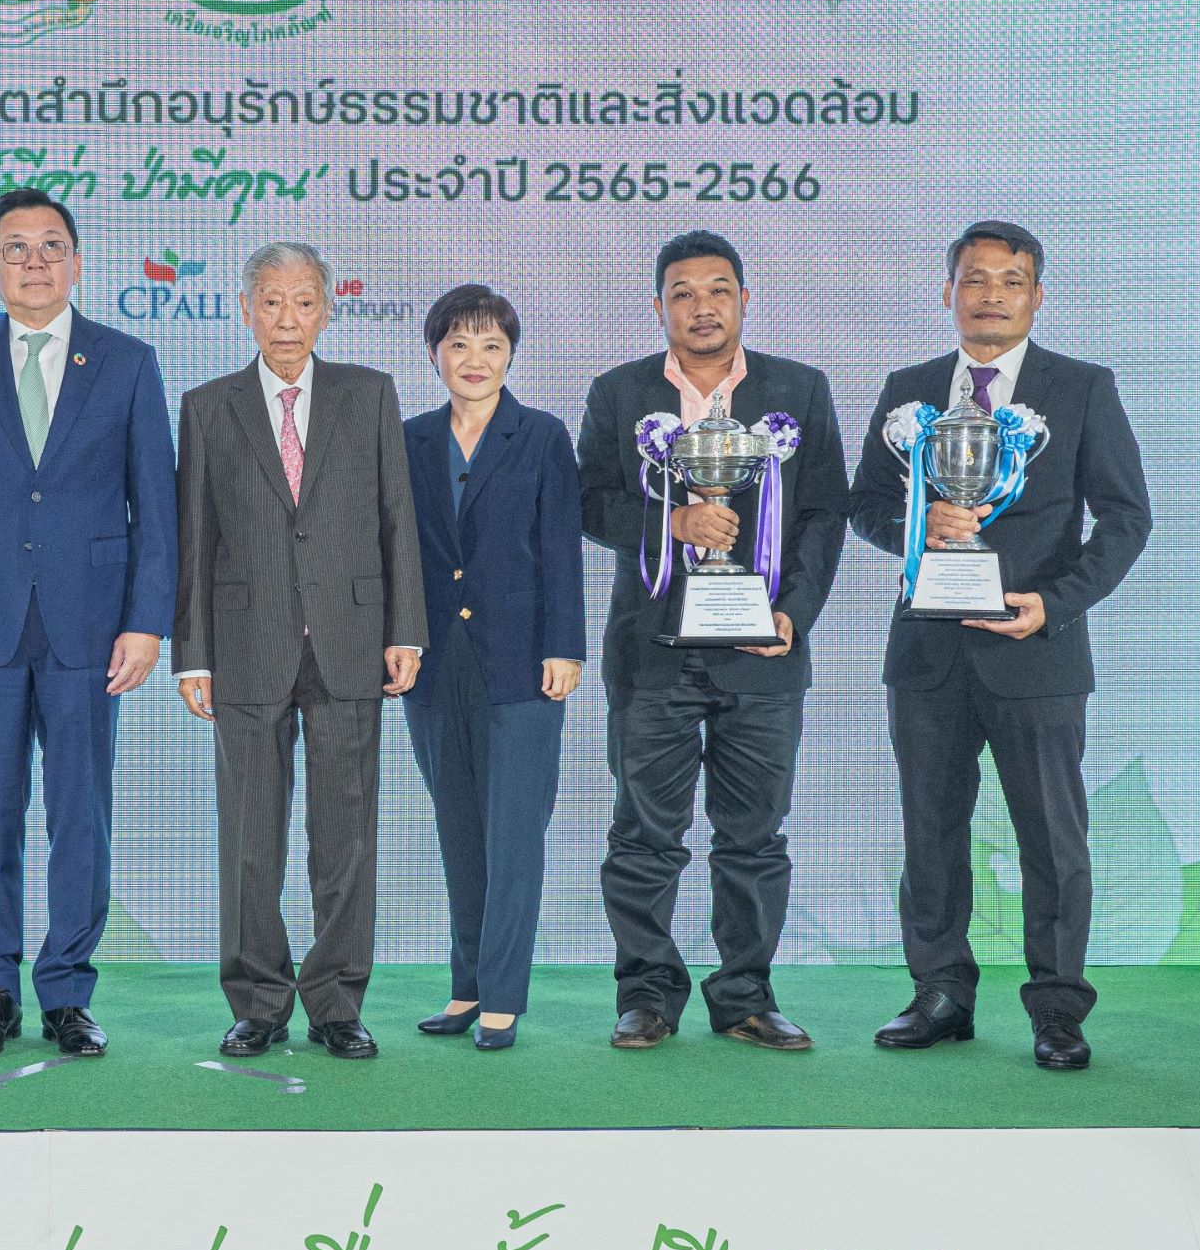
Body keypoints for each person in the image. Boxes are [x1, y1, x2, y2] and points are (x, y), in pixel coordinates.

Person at [849, 220, 1152, 1071]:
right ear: (948, 292)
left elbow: (1126, 518)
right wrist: (917, 527)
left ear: (1037, 295)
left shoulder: (1082, 387)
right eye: (975, 279)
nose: (991, 295)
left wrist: (1052, 604)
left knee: (1051, 839)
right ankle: (940, 994)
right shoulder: (909, 390)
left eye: (1010, 280)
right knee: (930, 833)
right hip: (927, 653)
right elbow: (865, 503)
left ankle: (1057, 1009)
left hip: (1036, 651)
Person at [0, 189, 177, 1059]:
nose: (34, 261)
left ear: (77, 263)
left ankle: (66, 991)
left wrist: (147, 622)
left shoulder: (127, 362)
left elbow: (156, 507)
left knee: (80, 814)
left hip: (91, 624)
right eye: (15, 248)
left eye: (51, 246)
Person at [577, 230, 847, 1051]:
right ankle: (646, 995)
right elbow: (588, 502)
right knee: (644, 833)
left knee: (754, 836)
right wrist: (673, 521)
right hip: (652, 652)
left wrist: (792, 613)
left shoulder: (798, 389)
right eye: (684, 293)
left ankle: (745, 996)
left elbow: (823, 511)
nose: (703, 307)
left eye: (718, 290)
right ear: (660, 307)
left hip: (763, 652)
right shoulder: (618, 392)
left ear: (744, 300)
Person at [173, 241, 426, 1061]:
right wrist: (192, 653)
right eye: (273, 301)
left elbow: (397, 518)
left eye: (305, 301)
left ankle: (337, 1000)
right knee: (251, 837)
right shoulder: (208, 406)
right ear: (247, 308)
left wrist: (405, 630)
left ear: (326, 309)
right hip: (246, 646)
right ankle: (257, 1000)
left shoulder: (369, 394)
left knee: (345, 836)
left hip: (351, 640)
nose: (288, 318)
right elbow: (194, 539)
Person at [400, 285, 584, 1052]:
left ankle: (503, 996)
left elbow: (561, 548)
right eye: (459, 344)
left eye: (491, 345)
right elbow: (396, 552)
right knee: (459, 830)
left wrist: (565, 646)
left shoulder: (541, 436)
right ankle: (467, 985)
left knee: (514, 837)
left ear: (511, 355)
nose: (474, 360)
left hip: (524, 664)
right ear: (434, 353)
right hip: (433, 663)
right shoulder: (408, 438)